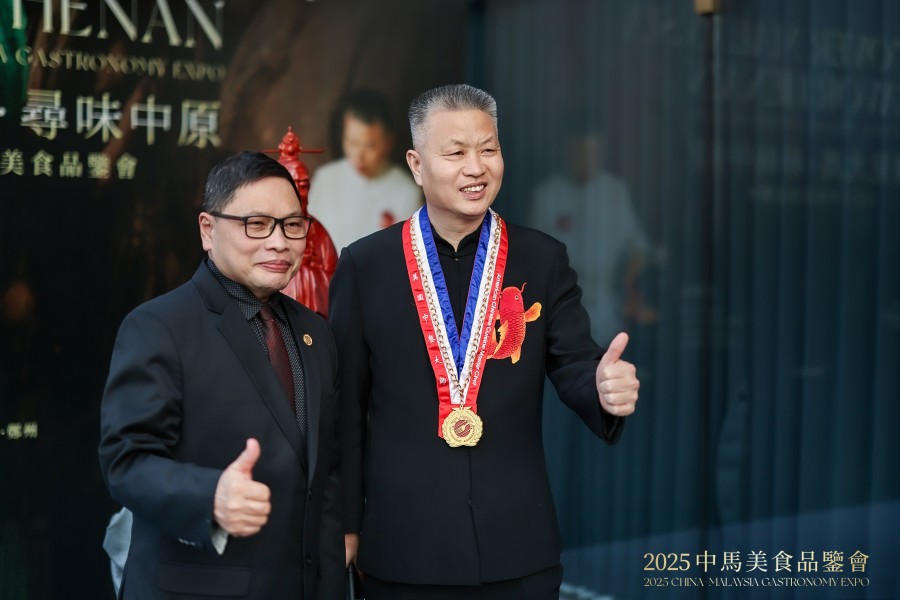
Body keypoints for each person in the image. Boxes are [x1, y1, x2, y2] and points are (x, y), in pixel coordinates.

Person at [329, 84, 640, 599]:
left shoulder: (541, 258)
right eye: (455, 153)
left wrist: (603, 389)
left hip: (518, 547)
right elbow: (344, 411)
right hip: (404, 548)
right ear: (416, 165)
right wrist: (346, 525)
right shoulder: (365, 265)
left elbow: (576, 364)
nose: (476, 168)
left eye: (488, 149)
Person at [99, 151, 345, 599]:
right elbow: (126, 462)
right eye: (257, 224)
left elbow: (324, 475)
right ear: (207, 230)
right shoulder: (158, 326)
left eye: (292, 225)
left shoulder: (314, 332)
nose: (279, 242)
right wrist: (210, 495)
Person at [530, 125, 656, 343]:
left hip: (609, 315)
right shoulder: (546, 196)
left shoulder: (614, 192)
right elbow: (532, 258)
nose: (587, 161)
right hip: (559, 314)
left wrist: (629, 285)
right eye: (580, 154)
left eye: (593, 154)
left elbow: (638, 248)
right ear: (566, 154)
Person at [310, 89, 422, 251]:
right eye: (352, 143)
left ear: (388, 142)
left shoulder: (407, 192)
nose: (358, 156)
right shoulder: (326, 179)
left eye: (369, 146)